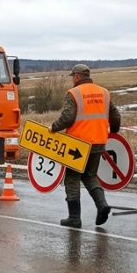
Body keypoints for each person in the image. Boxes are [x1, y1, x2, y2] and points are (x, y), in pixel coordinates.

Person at [50, 64, 121, 228]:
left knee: (72, 179)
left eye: (72, 77)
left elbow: (67, 118)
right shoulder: (104, 92)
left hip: (78, 145)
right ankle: (102, 204)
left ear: (76, 76)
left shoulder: (73, 93)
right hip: (98, 142)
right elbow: (115, 116)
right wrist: (114, 132)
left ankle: (74, 218)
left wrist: (54, 127)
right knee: (90, 176)